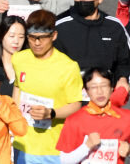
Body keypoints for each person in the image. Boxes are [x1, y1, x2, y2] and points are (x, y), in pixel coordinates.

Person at [53, 0, 130, 106]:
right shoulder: (60, 27)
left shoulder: (114, 27)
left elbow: (127, 61)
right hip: (69, 101)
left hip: (104, 100)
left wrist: (122, 79)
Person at [11, 10, 83, 164]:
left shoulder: (68, 67)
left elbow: (76, 104)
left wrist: (51, 113)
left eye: (42, 38)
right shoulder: (18, 59)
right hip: (22, 143)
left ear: (54, 36)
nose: (37, 43)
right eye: (32, 38)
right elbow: (18, 87)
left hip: (53, 149)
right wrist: (14, 117)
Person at [56, 66, 130, 164]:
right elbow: (63, 160)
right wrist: (87, 146)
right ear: (86, 91)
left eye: (104, 85)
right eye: (93, 87)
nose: (99, 92)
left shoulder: (125, 117)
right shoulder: (74, 120)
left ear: (112, 88)